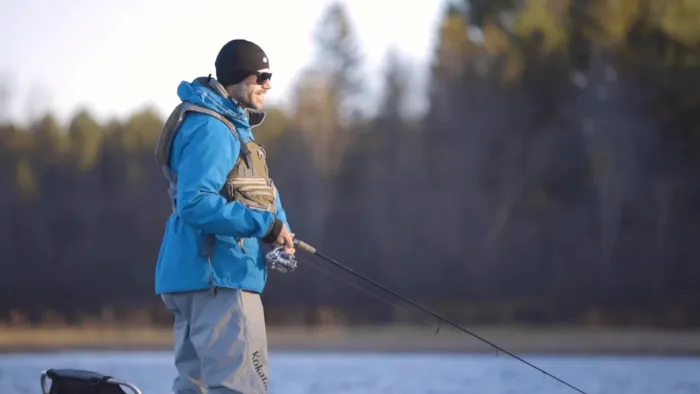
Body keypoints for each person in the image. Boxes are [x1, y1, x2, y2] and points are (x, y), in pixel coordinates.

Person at [153, 39, 295, 394]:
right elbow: (196, 203)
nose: (268, 84)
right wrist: (264, 226)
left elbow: (257, 191)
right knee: (240, 388)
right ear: (237, 77)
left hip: (197, 279)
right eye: (261, 75)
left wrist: (281, 229)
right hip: (221, 281)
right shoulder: (214, 128)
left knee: (194, 389)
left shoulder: (226, 126)